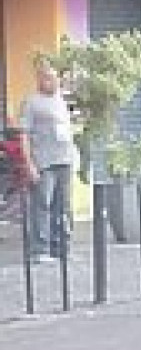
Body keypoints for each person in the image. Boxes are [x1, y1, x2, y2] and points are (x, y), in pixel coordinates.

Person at [19, 54, 77, 260]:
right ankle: (40, 249)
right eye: (48, 78)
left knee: (64, 205)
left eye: (55, 78)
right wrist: (29, 163)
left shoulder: (62, 101)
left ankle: (61, 248)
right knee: (42, 204)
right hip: (43, 162)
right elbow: (23, 135)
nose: (53, 82)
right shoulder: (31, 103)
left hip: (65, 160)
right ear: (40, 80)